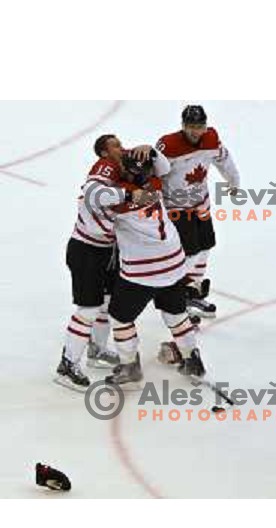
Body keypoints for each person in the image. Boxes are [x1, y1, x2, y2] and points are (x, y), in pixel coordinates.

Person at [104, 150, 205, 386]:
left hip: (143, 270)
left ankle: (129, 367)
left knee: (120, 317)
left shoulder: (117, 200)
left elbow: (93, 198)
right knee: (176, 314)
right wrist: (150, 150)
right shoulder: (156, 183)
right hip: (173, 261)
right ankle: (193, 360)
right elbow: (164, 167)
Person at [55, 135, 147, 391]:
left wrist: (149, 149)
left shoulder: (121, 160)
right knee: (88, 309)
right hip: (86, 251)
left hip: (107, 251)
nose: (122, 147)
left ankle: (96, 351)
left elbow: (153, 163)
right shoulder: (104, 169)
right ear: (105, 153)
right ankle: (67, 366)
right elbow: (91, 193)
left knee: (106, 305)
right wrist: (129, 194)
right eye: (115, 145)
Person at [156, 105, 240, 319]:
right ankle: (177, 297)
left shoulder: (211, 139)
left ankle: (192, 290)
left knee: (205, 246)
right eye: (191, 127)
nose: (196, 131)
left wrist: (233, 181)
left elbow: (224, 159)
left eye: (199, 126)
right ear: (183, 126)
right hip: (176, 207)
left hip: (201, 203)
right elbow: (153, 173)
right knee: (189, 252)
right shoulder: (168, 144)